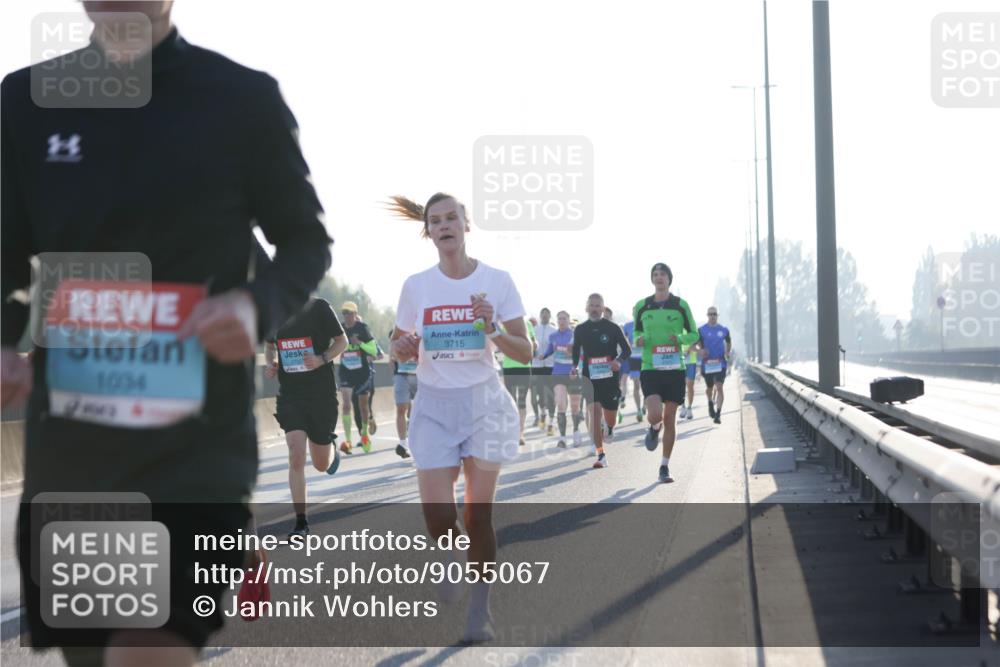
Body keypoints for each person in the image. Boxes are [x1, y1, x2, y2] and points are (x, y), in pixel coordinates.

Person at [1, 4, 331, 663]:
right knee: (95, 654)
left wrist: (254, 307)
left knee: (147, 645)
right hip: (75, 448)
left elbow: (305, 241)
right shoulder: (24, 102)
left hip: (197, 444)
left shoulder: (242, 99)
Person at [388, 193, 530, 643]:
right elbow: (398, 345)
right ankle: (451, 555)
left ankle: (480, 610)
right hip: (433, 406)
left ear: (467, 225)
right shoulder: (416, 286)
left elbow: (525, 351)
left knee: (477, 516)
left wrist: (493, 329)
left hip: (483, 404)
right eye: (436, 221)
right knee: (438, 519)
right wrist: (402, 348)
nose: (445, 225)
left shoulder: (497, 281)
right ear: (428, 232)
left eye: (452, 218)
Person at [265, 298, 347, 537]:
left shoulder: (319, 307)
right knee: (296, 454)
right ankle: (301, 522)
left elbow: (341, 341)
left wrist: (321, 359)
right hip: (291, 396)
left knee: (321, 464)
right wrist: (272, 362)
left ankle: (331, 448)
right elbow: (269, 346)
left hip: (321, 395)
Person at [633, 263, 699, 483]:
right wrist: (638, 339)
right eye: (655, 274)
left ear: (669, 279)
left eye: (662, 274)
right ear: (652, 279)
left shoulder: (680, 305)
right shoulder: (642, 306)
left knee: (670, 417)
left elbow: (694, 334)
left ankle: (664, 466)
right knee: (655, 414)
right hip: (650, 367)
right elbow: (636, 332)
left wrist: (680, 339)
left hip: (674, 368)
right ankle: (654, 427)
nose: (659, 277)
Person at [572, 294, 631, 469]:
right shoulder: (580, 329)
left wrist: (618, 361)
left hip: (610, 378)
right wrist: (574, 366)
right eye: (592, 305)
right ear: (587, 308)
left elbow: (626, 349)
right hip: (589, 377)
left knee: (610, 417)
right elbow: (576, 350)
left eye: (598, 306)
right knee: (595, 414)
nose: (594, 309)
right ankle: (601, 454)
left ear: (603, 308)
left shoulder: (612, 328)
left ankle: (610, 427)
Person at [337, 301, 378, 454]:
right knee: (346, 405)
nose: (346, 316)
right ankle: (348, 440)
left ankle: (365, 435)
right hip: (346, 371)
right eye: (344, 313)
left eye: (349, 313)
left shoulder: (363, 328)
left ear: (355, 314)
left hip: (362, 373)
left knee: (363, 407)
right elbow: (332, 345)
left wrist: (359, 343)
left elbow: (373, 350)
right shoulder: (339, 329)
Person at [539, 311, 583, 448]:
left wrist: (575, 368)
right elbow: (550, 349)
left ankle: (576, 431)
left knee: (575, 406)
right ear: (557, 321)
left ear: (568, 320)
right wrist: (544, 355)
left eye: (564, 318)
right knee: (560, 403)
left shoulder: (575, 335)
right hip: (558, 373)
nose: (561, 321)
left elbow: (581, 355)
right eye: (559, 319)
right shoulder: (553, 336)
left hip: (573, 374)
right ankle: (562, 438)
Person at [500, 317, 536, 447]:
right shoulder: (503, 324)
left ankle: (520, 433)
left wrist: (532, 345)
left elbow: (533, 343)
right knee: (511, 401)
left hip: (524, 366)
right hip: (508, 367)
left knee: (521, 400)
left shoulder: (527, 324)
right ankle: (513, 431)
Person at [698, 307, 732, 425]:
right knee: (709, 388)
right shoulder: (701, 330)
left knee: (719, 387)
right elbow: (696, 345)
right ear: (707, 315)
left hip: (720, 363)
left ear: (717, 315)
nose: (712, 316)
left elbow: (728, 341)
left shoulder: (724, 330)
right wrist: (700, 351)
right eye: (710, 314)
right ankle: (710, 402)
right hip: (707, 364)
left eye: (714, 314)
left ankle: (718, 414)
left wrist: (727, 352)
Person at [530, 308, 557, 434]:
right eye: (543, 315)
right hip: (537, 366)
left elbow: (557, 348)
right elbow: (530, 346)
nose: (545, 316)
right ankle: (542, 413)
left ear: (550, 316)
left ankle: (551, 421)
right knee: (540, 393)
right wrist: (533, 352)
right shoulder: (535, 330)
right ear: (540, 316)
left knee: (551, 394)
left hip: (550, 366)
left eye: (547, 315)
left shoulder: (554, 331)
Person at [391, 337, 417, 459]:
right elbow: (392, 356)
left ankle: (417, 441)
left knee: (419, 410)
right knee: (401, 409)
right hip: (401, 375)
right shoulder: (398, 334)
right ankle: (403, 444)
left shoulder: (422, 330)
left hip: (420, 375)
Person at [620, 318, 645, 423]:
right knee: (636, 384)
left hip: (646, 358)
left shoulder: (646, 323)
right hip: (633, 358)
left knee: (646, 385)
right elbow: (622, 340)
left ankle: (645, 405)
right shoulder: (628, 325)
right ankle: (639, 410)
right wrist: (627, 344)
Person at [680, 340, 699, 420]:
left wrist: (692, 348)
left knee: (690, 386)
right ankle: (682, 406)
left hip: (691, 363)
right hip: (680, 362)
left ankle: (689, 408)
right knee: (681, 386)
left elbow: (698, 347)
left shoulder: (693, 333)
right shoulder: (678, 332)